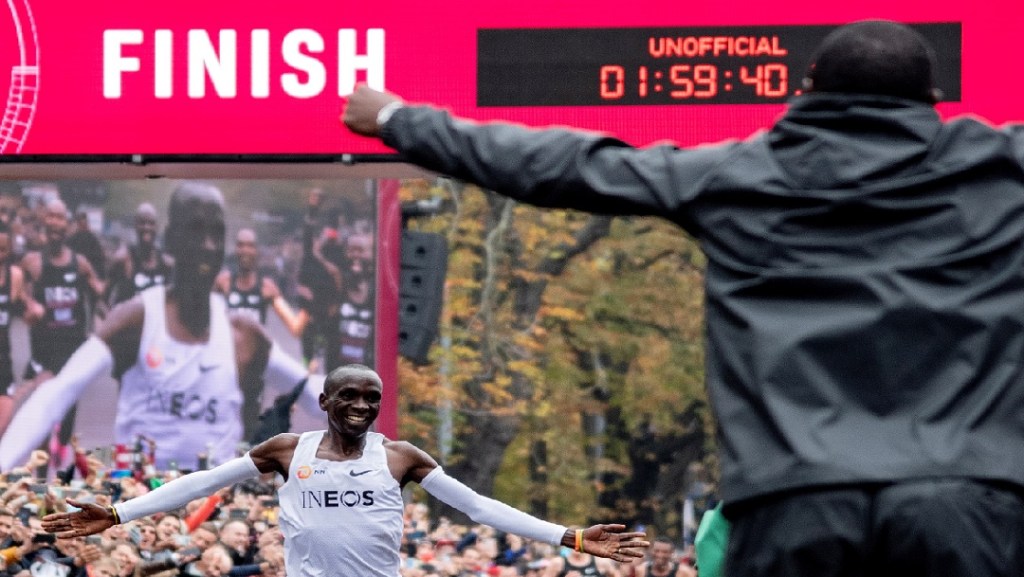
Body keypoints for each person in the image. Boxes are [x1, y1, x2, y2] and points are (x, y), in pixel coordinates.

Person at [341, 19, 1024, 576]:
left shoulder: (741, 173)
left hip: (795, 504)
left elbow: (564, 165)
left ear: (807, 89)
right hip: (968, 498)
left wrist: (401, 118)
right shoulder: (1001, 167)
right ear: (933, 97)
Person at [40, 364, 649, 577]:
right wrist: (119, 512)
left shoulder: (401, 457)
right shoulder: (287, 450)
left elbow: (478, 507)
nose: (361, 405)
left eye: (372, 398)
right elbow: (205, 483)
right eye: (349, 396)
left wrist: (567, 536)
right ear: (325, 403)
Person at [0, 182, 320, 471]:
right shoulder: (138, 319)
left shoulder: (243, 335)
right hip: (142, 508)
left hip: (213, 515)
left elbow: (314, 396)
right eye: (196, 232)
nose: (208, 246)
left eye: (216, 234)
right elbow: (58, 392)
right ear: (171, 241)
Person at [19, 197, 106, 463]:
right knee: (43, 419)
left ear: (68, 226)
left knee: (67, 422)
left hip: (72, 355)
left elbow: (99, 296)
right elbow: (16, 292)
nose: (55, 223)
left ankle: (60, 472)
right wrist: (29, 303)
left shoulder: (79, 264)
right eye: (51, 217)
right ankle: (43, 481)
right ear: (44, 222)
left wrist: (113, 322)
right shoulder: (32, 262)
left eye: (60, 218)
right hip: (44, 355)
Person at [214, 229, 300, 328]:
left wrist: (309, 307)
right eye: (240, 245)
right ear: (236, 249)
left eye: (250, 246)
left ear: (257, 250)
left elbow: (294, 324)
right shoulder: (222, 282)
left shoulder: (268, 288)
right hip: (226, 343)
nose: (245, 250)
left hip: (254, 343)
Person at [105, 203, 174, 308]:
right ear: (135, 225)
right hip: (128, 322)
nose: (146, 227)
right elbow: (102, 302)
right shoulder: (123, 259)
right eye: (142, 223)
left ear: (157, 227)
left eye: (151, 223)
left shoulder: (166, 264)